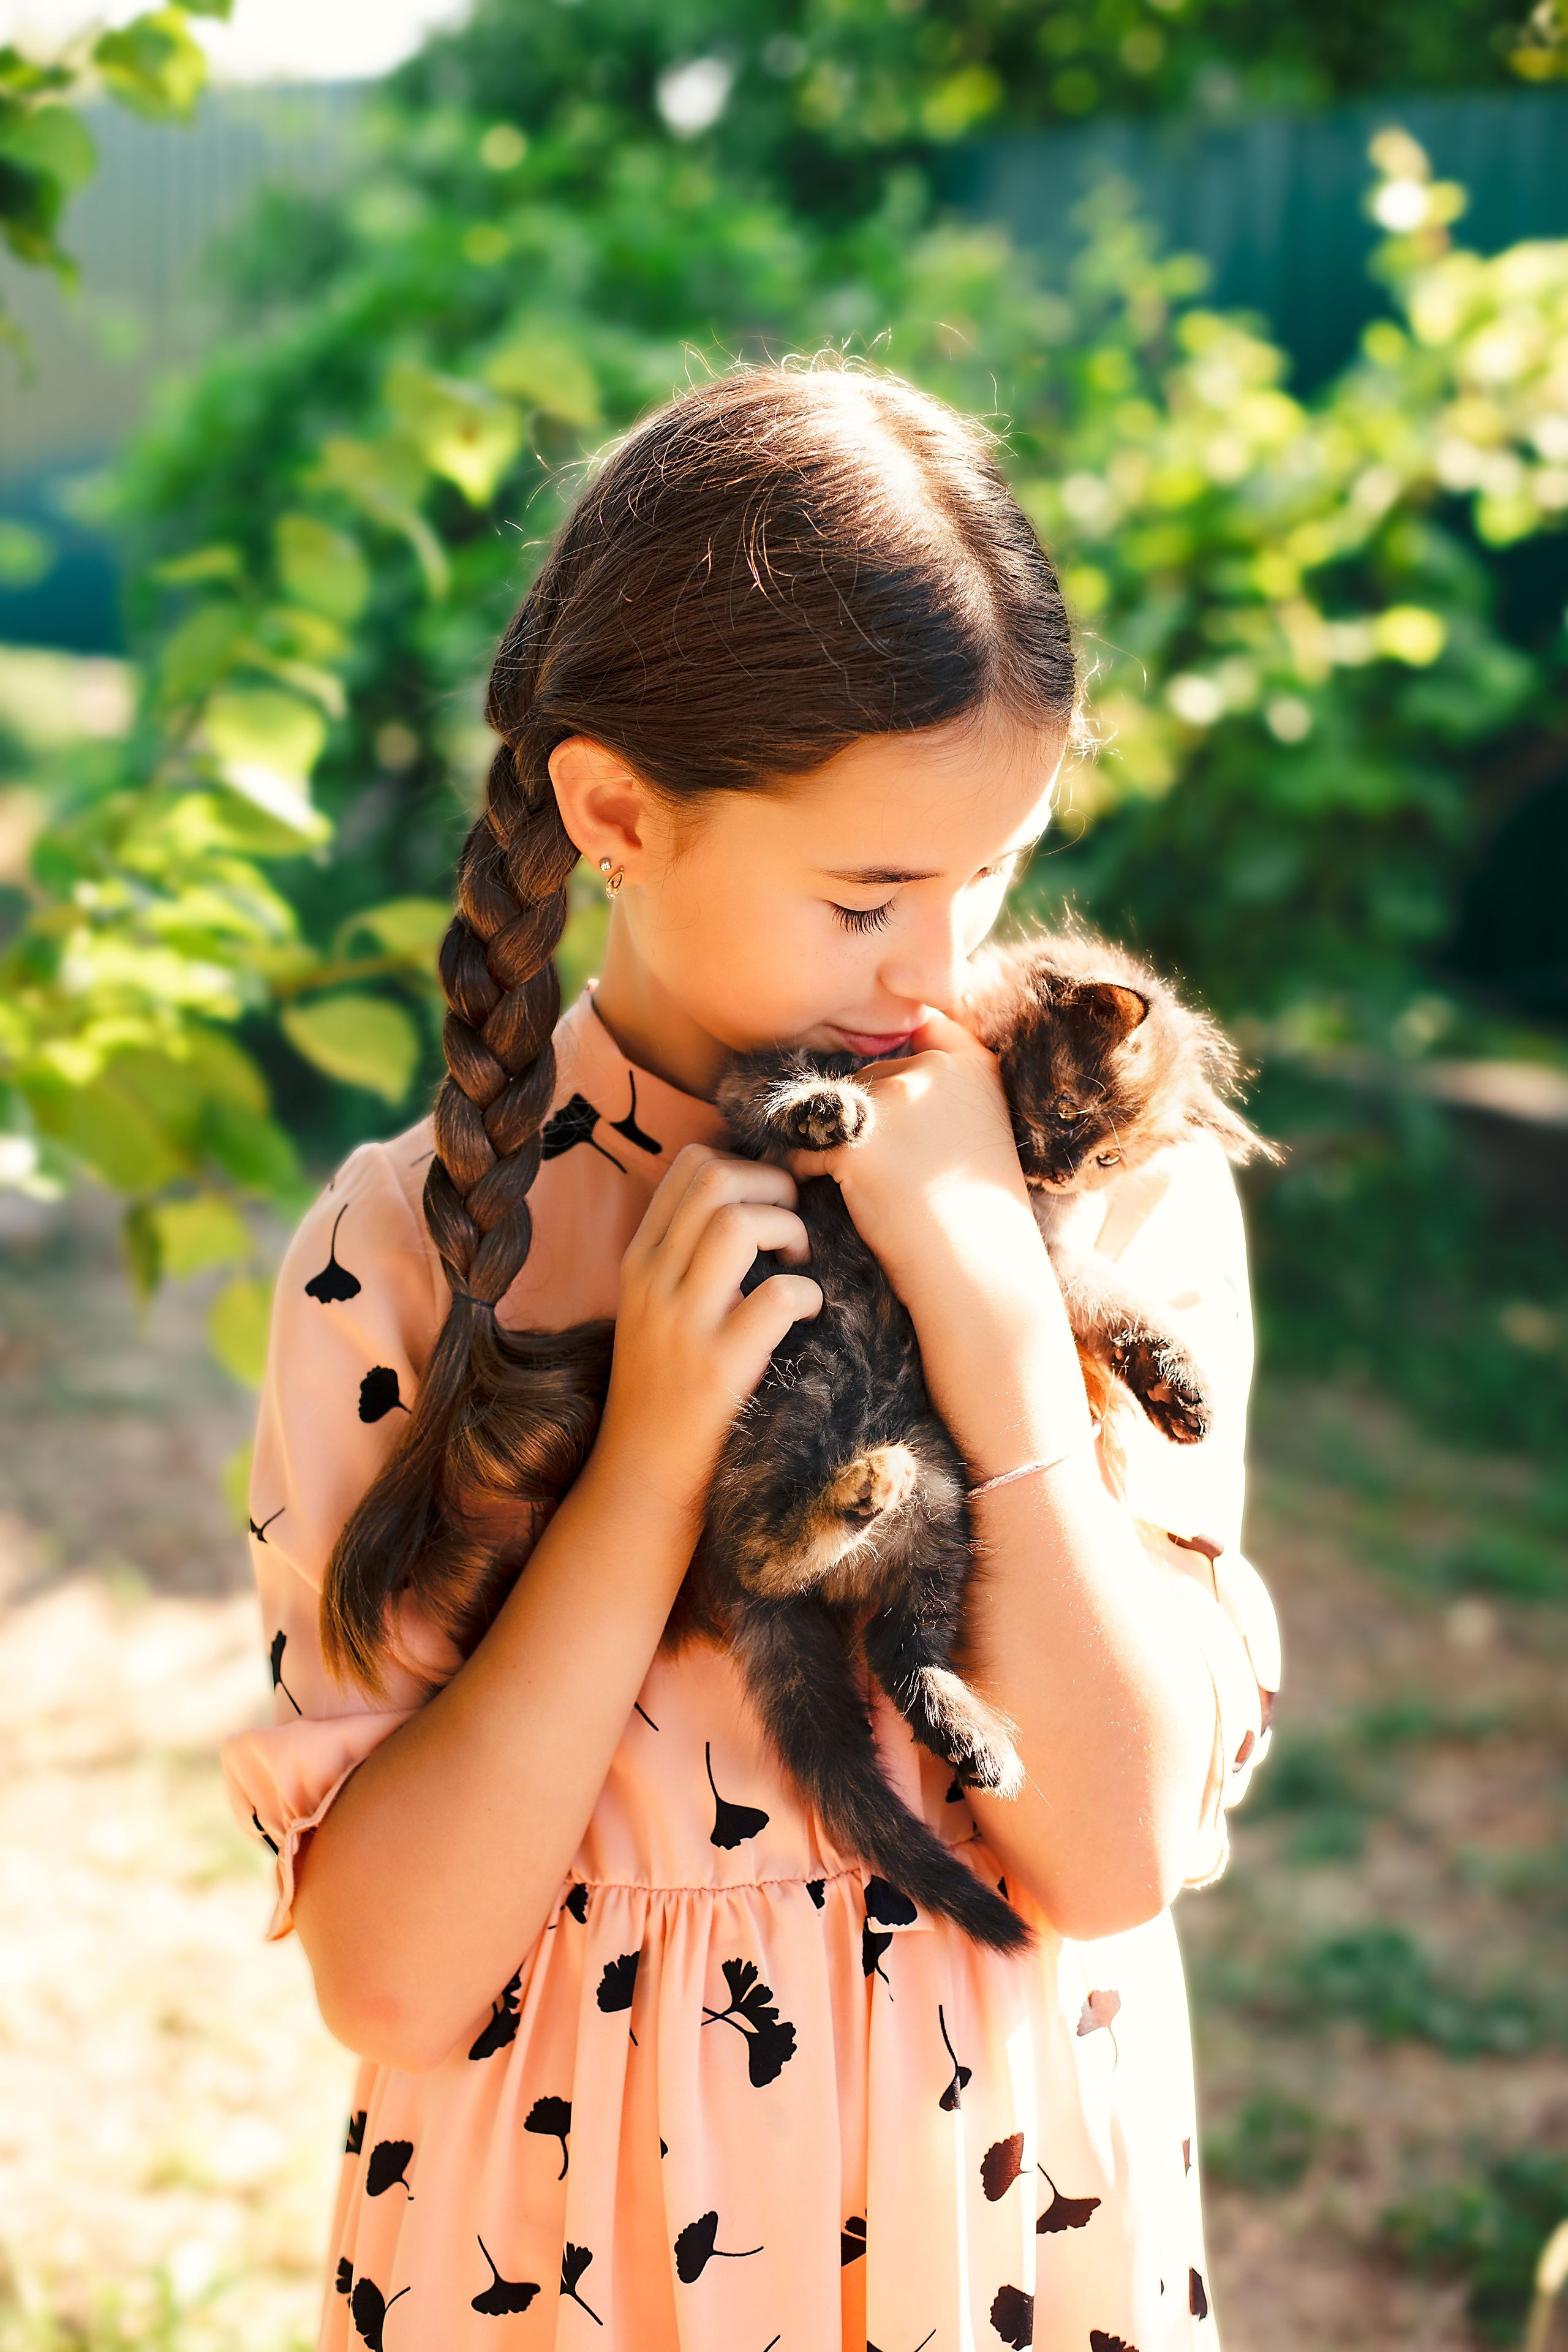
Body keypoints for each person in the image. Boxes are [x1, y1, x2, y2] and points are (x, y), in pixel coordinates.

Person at [223, 361, 1280, 2351]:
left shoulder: (1106, 1169)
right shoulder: (415, 1251)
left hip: (995, 2241)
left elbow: (1117, 1849)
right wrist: (640, 1473)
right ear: (618, 813)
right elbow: (391, 1981)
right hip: (566, 2254)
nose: (939, 966)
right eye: (868, 895)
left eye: (992, 868)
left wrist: (990, 1304)